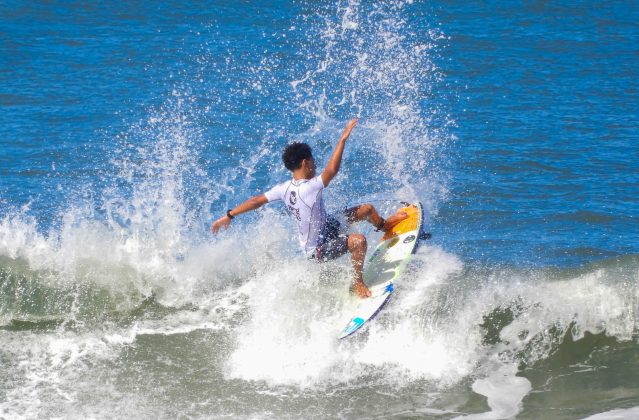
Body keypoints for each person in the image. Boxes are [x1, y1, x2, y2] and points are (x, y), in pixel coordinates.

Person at [210, 118, 407, 298]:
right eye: (312, 160)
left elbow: (256, 201)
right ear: (305, 162)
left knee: (366, 209)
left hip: (326, 227)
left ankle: (386, 226)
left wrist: (229, 215)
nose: (315, 164)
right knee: (358, 241)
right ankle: (358, 283)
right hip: (316, 250)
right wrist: (343, 139)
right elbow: (332, 170)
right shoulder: (310, 187)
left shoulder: (283, 188)